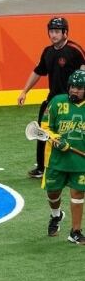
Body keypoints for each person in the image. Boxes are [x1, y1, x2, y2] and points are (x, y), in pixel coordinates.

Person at [17, 16, 85, 179]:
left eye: (57, 31)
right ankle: (41, 167)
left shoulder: (75, 50)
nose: (53, 35)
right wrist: (24, 91)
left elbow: (83, 72)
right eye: (51, 31)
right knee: (42, 131)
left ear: (65, 32)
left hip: (72, 100)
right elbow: (38, 71)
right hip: (53, 100)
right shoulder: (47, 52)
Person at [41, 69, 85, 243]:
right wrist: (56, 139)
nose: (74, 90)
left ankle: (75, 232)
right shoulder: (57, 102)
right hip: (56, 160)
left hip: (80, 162)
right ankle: (56, 215)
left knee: (78, 194)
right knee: (53, 193)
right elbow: (44, 127)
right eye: (73, 86)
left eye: (79, 87)